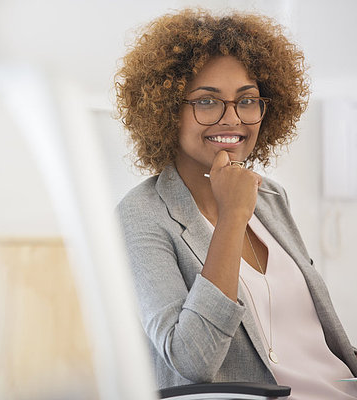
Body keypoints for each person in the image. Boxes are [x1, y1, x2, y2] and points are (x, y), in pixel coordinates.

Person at [115, 8, 357, 398]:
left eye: (247, 101)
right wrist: (232, 217)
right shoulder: (141, 215)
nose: (232, 120)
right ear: (166, 110)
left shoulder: (271, 196)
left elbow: (315, 343)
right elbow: (192, 358)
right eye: (207, 102)